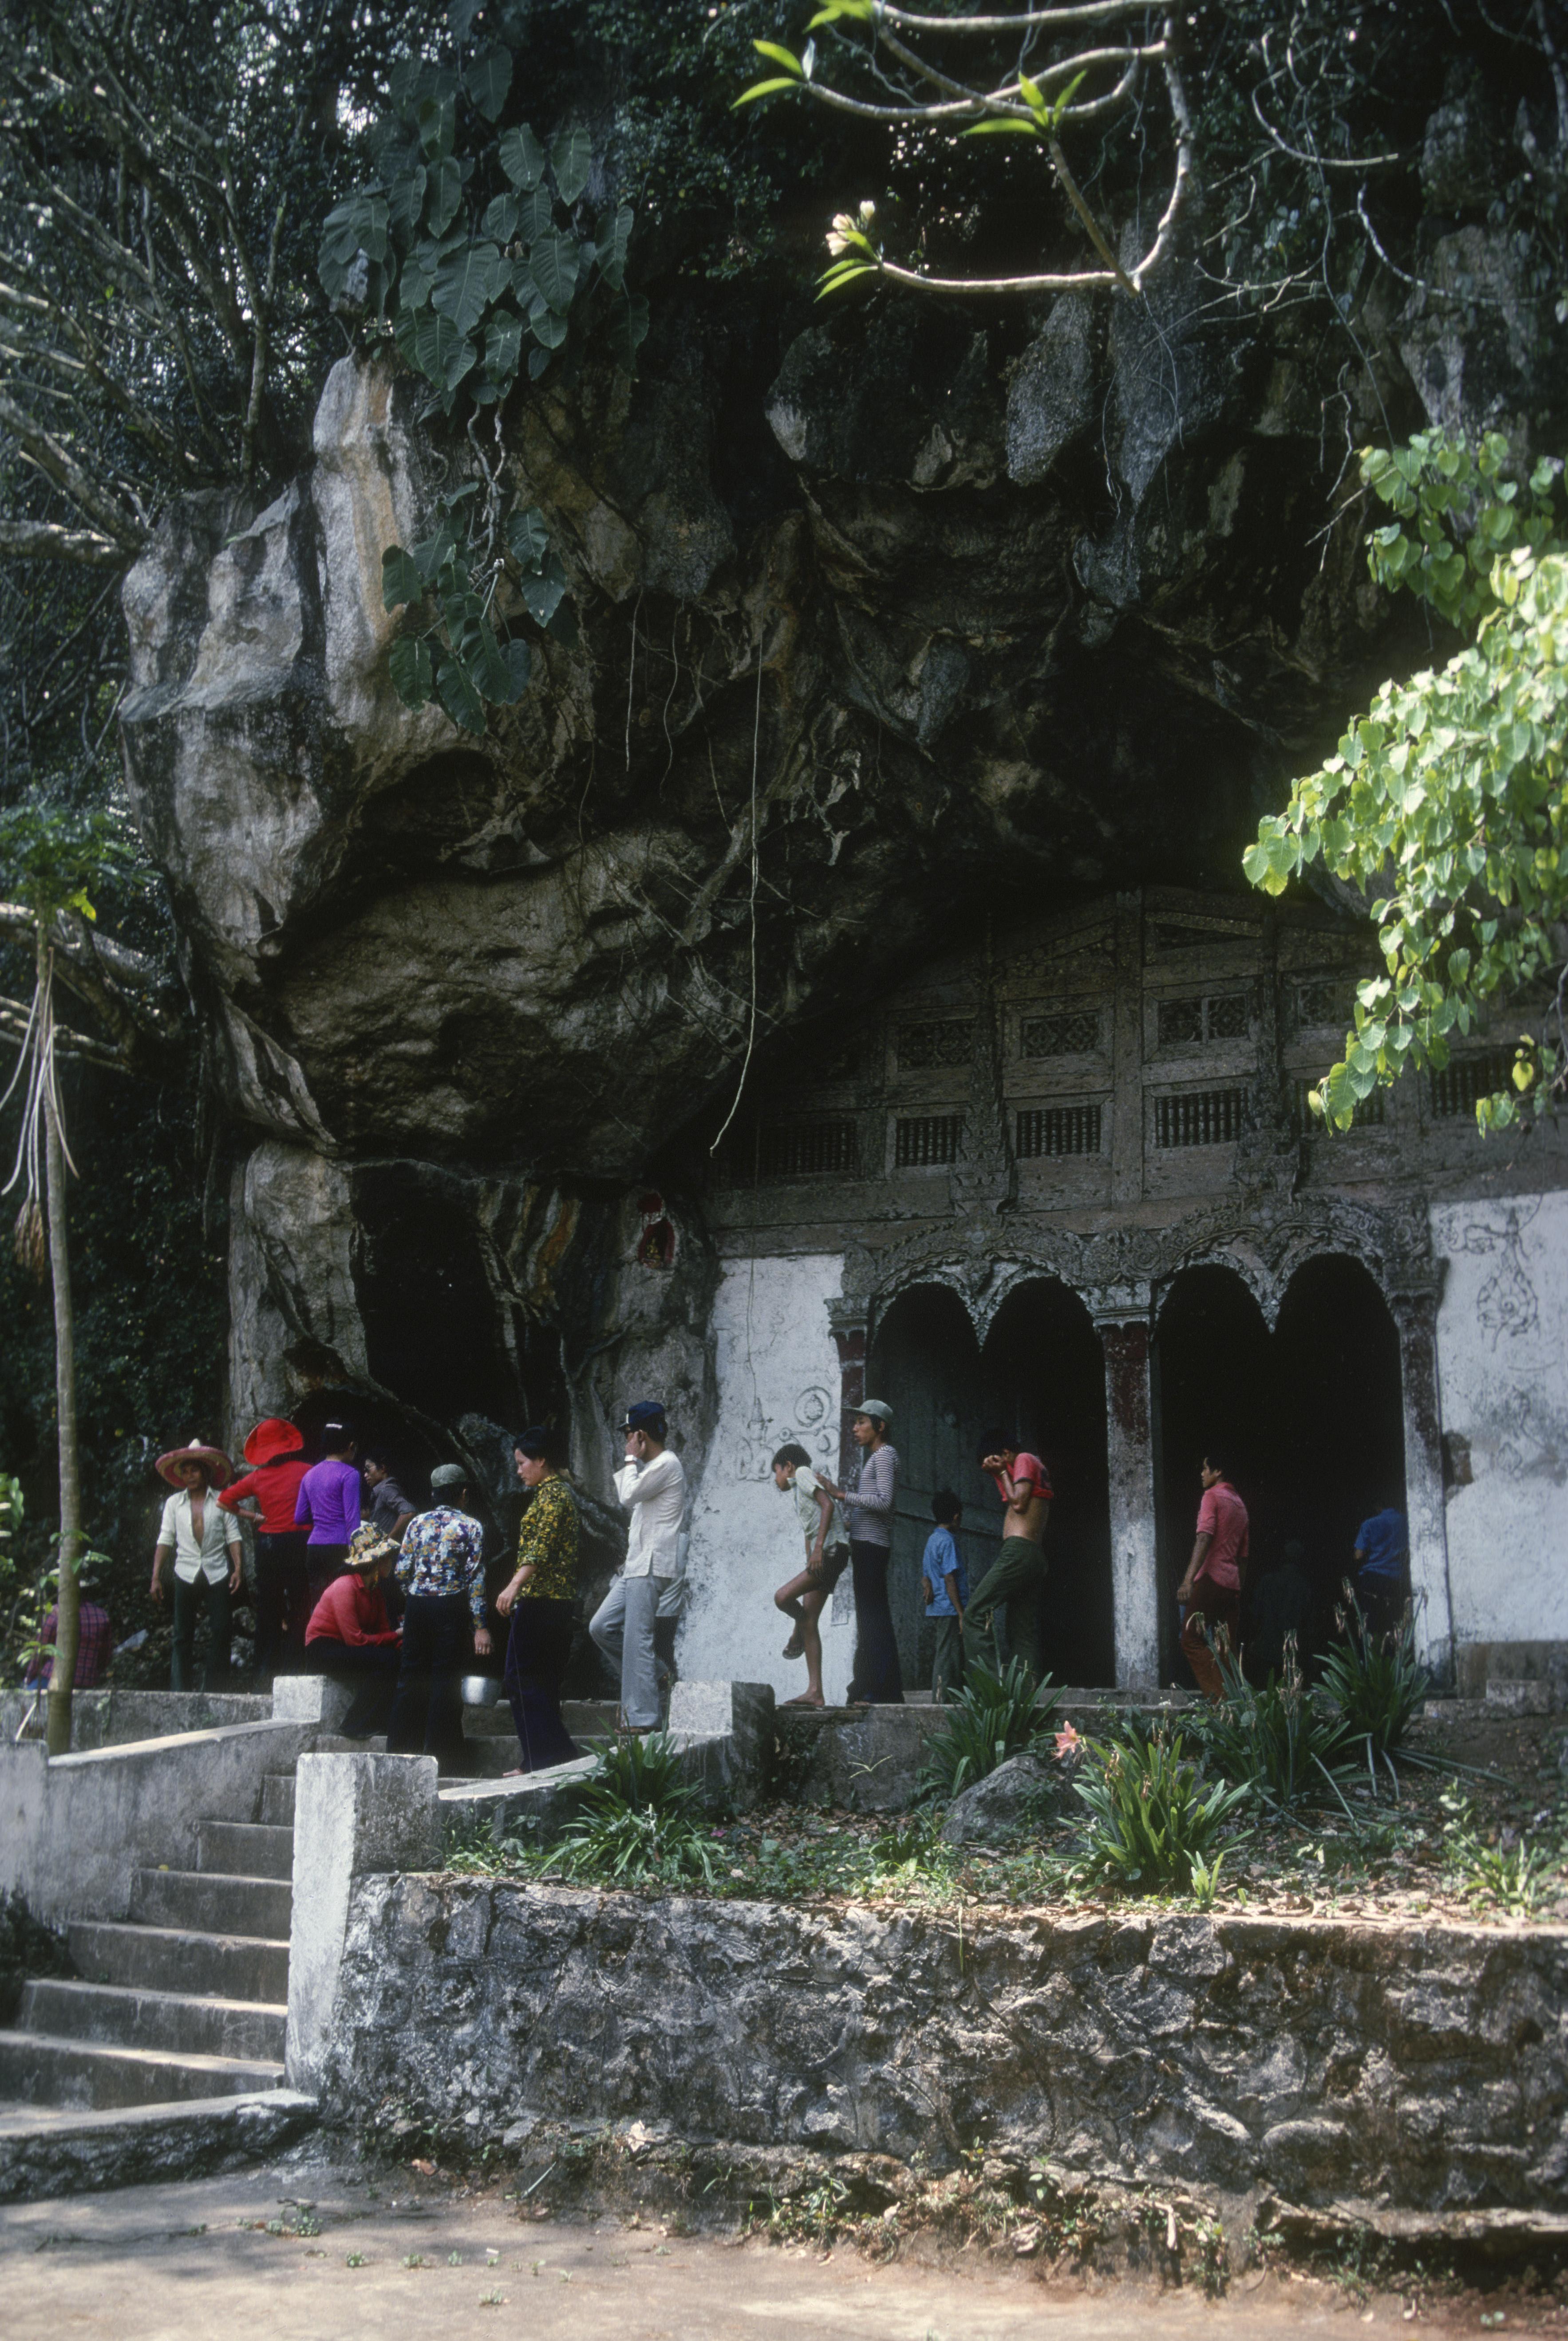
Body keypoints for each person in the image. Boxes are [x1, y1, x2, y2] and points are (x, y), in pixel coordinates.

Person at [387, 1463, 490, 1773]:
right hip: (451, 1606)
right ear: (463, 1494)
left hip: (418, 1605)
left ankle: (399, 1754)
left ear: (434, 1494)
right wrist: (480, 1626)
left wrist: (416, 1594)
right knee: (446, 1680)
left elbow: (401, 1571)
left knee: (410, 1678)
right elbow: (476, 1579)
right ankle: (443, 1760)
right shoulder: (471, 1526)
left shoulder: (417, 1523)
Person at [592, 1400, 685, 1733]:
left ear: (640, 1436)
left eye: (629, 1435)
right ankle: (659, 1673)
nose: (627, 1442)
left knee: (637, 1639)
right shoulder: (655, 1468)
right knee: (601, 1627)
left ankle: (643, 1718)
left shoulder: (667, 1464)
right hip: (636, 1566)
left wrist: (630, 1459)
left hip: (650, 1566)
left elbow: (627, 1496)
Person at [494, 1426, 581, 1773]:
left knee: (520, 1677)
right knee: (542, 1680)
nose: (519, 1470)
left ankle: (549, 1755)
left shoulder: (552, 1495)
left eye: (522, 1463)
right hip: (554, 1601)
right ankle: (544, 1757)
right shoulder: (555, 1492)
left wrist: (513, 1586)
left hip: (542, 1599)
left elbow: (539, 1548)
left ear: (542, 1460)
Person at [816, 1401, 903, 1706]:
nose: (855, 1428)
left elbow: (884, 1502)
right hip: (866, 1545)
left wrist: (840, 1494)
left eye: (862, 1422)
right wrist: (845, 1523)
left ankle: (879, 1691)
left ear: (880, 1427)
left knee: (873, 1620)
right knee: (870, 1619)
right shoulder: (877, 1458)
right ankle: (869, 1687)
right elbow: (874, 1509)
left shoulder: (885, 1455)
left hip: (872, 1547)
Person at [218, 1417, 312, 1678]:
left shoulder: (257, 1477)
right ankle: (296, 1671)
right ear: (287, 1445)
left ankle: (262, 1675)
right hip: (299, 1544)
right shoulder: (306, 1471)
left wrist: (254, 1517)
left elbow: (223, 1501)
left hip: (268, 1546)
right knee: (301, 1606)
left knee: (268, 1612)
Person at [150, 1438, 243, 1691]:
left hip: (217, 1571)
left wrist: (238, 1568)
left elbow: (234, 1536)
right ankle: (179, 1691)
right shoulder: (174, 1504)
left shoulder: (222, 1500)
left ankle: (216, 1689)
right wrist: (156, 1576)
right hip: (185, 1571)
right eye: (186, 1471)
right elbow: (165, 1539)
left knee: (222, 1629)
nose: (190, 1476)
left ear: (206, 1472)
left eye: (195, 1471)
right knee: (182, 1635)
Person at [965, 1431, 1052, 1689]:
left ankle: (991, 1693)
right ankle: (1024, 1697)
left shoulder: (1024, 1458)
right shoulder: (1034, 1466)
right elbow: (1013, 1495)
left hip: (1018, 1551)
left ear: (1005, 1453)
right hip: (1032, 1554)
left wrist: (1002, 1471)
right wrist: (999, 1473)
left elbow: (1018, 1503)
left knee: (975, 1614)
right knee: (1022, 1630)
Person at [771, 1441, 849, 1710]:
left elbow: (827, 1506)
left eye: (776, 1472)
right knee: (809, 1620)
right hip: (827, 1553)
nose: (776, 1480)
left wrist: (818, 1550)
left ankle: (797, 1632)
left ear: (788, 1467)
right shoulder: (798, 1490)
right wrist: (811, 1557)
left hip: (830, 1552)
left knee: (782, 1598)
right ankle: (815, 1692)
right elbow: (810, 1530)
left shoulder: (803, 1473)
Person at [304, 1524, 403, 1736]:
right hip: (324, 1648)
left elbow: (384, 1633)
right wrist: (396, 1635)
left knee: (398, 1658)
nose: (391, 1562)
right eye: (387, 1558)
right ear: (375, 1561)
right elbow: (355, 1640)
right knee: (388, 1660)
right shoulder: (345, 1587)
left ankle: (380, 1723)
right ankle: (355, 1726)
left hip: (347, 1647)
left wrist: (402, 1642)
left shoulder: (375, 1592)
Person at [1177, 1453, 1249, 1701]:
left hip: (1212, 1577)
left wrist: (1188, 1581)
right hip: (1232, 1583)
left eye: (1206, 1468)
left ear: (1218, 1472)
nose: (1202, 1473)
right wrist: (1237, 1590)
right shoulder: (1240, 1504)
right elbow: (1243, 1557)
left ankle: (1221, 1699)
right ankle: (1237, 1701)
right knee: (1225, 1647)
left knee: (1191, 1640)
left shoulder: (1212, 1496)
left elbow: (1204, 1537)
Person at [294, 1421, 361, 1604]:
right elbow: (352, 1519)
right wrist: (358, 1553)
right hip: (340, 1548)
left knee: (319, 1604)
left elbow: (299, 1517)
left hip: (315, 1548)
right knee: (343, 1603)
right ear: (351, 1446)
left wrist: (321, 1515)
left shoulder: (310, 1475)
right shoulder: (350, 1474)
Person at [1244, 1538, 1313, 1684]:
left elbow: (1255, 1615)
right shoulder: (1304, 1586)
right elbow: (1308, 1622)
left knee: (1265, 1688)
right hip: (1291, 1650)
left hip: (1266, 1648)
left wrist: (1253, 1641)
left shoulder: (1267, 1581)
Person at [24, 1574, 111, 1688]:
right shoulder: (102, 1617)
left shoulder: (57, 1612)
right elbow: (105, 1657)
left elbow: (41, 1650)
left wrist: (29, 1677)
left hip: (53, 1679)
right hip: (85, 1682)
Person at [922, 1490, 969, 1703]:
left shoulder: (932, 1539)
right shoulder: (948, 1541)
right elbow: (950, 1578)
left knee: (947, 1652)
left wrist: (928, 1588)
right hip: (949, 1608)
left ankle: (946, 1699)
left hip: (938, 1607)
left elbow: (925, 1576)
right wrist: (961, 1613)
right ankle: (941, 1702)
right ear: (956, 1517)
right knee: (948, 1655)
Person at [1350, 1504, 1409, 1638]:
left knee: (1372, 1627)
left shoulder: (1369, 1524)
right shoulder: (1406, 1521)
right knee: (1394, 1626)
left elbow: (1359, 1555)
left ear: (1378, 1506)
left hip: (1372, 1581)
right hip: (1396, 1581)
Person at [363, 1449, 417, 1543]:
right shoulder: (381, 1492)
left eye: (368, 1469)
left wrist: (388, 1542)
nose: (365, 1475)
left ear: (382, 1468)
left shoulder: (386, 1490)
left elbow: (409, 1512)